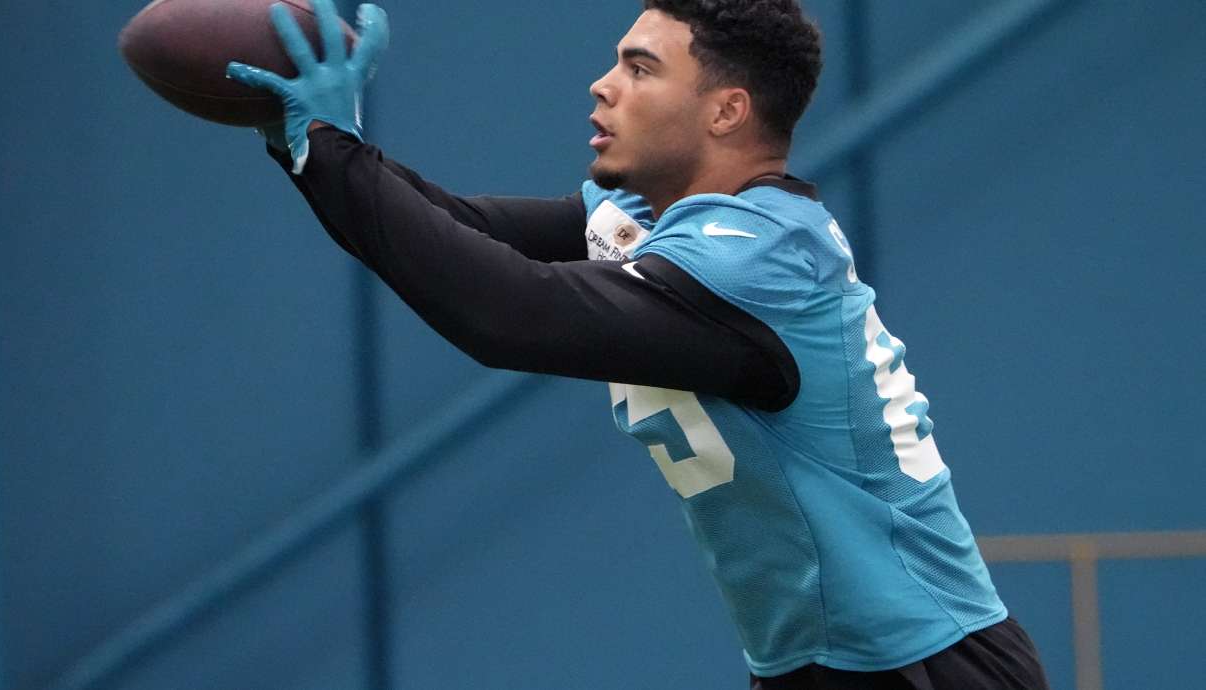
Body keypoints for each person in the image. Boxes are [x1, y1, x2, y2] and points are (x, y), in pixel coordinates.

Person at [227, 0, 1050, 687]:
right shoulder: (663, 224)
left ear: (727, 109)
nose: (603, 83)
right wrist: (307, 147)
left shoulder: (755, 257)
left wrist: (332, 152)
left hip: (926, 667)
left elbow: (507, 312)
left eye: (641, 67)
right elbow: (460, 232)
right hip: (822, 663)